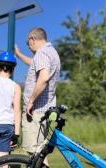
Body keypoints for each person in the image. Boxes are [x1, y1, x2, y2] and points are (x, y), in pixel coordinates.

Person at [15, 27, 61, 167]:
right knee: (40, 151)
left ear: (32, 39)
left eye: (27, 43)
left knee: (35, 154)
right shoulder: (51, 52)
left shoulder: (42, 53)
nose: (28, 46)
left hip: (36, 112)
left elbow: (43, 79)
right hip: (45, 110)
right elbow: (34, 63)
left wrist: (30, 101)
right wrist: (19, 54)